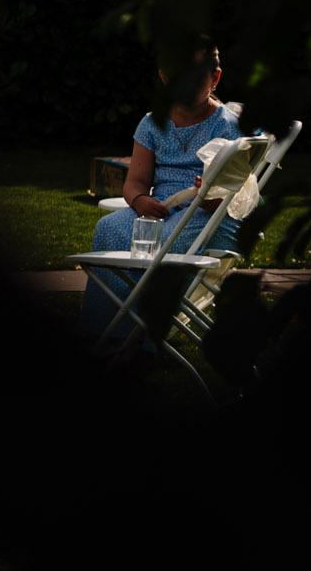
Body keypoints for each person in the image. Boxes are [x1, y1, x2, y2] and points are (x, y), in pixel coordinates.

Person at [80, 44, 246, 346]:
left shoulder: (228, 127)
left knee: (168, 241)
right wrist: (140, 200)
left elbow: (240, 191)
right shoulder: (152, 123)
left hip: (210, 213)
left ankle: (143, 339)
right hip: (162, 207)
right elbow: (135, 182)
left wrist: (213, 196)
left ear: (214, 79)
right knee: (108, 228)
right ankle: (105, 331)